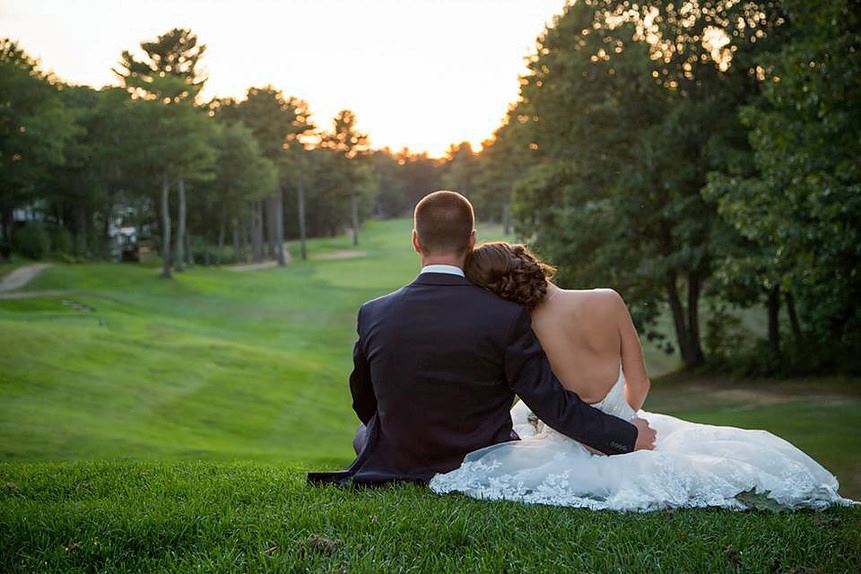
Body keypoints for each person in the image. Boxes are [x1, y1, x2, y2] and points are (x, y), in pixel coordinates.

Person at [429, 242, 853, 511]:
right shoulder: (607, 299)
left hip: (570, 438)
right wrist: (622, 418)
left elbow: (548, 399)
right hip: (630, 425)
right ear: (532, 264)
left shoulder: (520, 330)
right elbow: (641, 382)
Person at [307, 191, 654, 486]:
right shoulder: (505, 316)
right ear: (471, 240)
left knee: (364, 433)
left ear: (415, 240)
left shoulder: (373, 312)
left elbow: (363, 399)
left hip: (398, 458)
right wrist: (625, 437)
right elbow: (551, 402)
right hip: (479, 459)